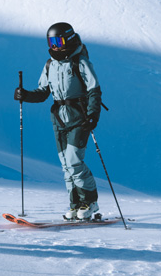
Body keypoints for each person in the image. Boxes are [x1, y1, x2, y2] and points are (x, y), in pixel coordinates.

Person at [14, 22, 103, 220]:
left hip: (79, 117)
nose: (54, 45)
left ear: (69, 39)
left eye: (58, 41)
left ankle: (90, 202)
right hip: (59, 119)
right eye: (51, 41)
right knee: (65, 165)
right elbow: (43, 92)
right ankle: (75, 205)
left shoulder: (80, 62)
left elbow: (94, 90)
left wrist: (92, 115)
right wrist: (24, 95)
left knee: (74, 161)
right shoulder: (50, 65)